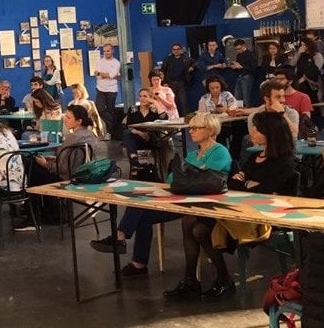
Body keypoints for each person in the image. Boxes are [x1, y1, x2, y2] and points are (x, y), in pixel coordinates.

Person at [166, 112, 295, 302]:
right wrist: (248, 183)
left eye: (256, 128)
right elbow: (232, 184)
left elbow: (265, 191)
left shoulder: (283, 162)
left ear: (270, 133)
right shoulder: (255, 157)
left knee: (198, 227)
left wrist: (246, 183)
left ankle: (214, 280)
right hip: (236, 210)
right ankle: (198, 280)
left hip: (260, 217)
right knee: (192, 223)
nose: (251, 131)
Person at [91, 113, 231, 278]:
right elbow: (173, 178)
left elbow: (208, 180)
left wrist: (186, 178)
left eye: (195, 128)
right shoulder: (193, 155)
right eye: (190, 128)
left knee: (142, 207)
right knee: (141, 208)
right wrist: (188, 178)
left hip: (203, 202)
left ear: (209, 130)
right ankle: (138, 262)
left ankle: (121, 238)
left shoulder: (220, 152)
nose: (190, 131)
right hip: (181, 198)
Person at [122, 88, 167, 174]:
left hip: (151, 139)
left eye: (145, 96)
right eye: (140, 96)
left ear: (150, 98)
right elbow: (129, 127)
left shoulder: (154, 110)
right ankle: (135, 161)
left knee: (156, 137)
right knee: (126, 133)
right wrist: (140, 133)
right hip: (137, 139)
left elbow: (164, 119)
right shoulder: (133, 109)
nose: (142, 98)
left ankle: (156, 172)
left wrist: (156, 103)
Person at [94, 44, 121, 140]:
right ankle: (114, 125)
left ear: (112, 51)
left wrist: (103, 74)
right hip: (100, 88)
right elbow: (96, 74)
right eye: (104, 51)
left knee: (110, 110)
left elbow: (111, 75)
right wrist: (108, 75)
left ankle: (109, 132)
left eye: (108, 51)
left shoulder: (116, 63)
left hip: (111, 90)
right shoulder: (99, 61)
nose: (106, 53)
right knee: (100, 109)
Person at [160, 43, 193, 115]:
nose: (176, 51)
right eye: (174, 49)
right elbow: (162, 72)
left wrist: (192, 67)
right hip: (170, 84)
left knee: (183, 103)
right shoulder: (167, 60)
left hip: (182, 83)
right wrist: (164, 83)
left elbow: (196, 63)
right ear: (172, 51)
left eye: (178, 49)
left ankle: (184, 120)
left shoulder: (186, 59)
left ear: (181, 50)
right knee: (171, 102)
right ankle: (172, 118)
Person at [230, 38, 257, 107]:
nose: (238, 51)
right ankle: (239, 111)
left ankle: (247, 112)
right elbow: (238, 67)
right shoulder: (238, 55)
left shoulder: (251, 54)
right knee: (237, 96)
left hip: (247, 77)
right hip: (239, 76)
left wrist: (241, 67)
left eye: (239, 48)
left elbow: (254, 68)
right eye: (236, 49)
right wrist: (235, 67)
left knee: (246, 97)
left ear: (244, 45)